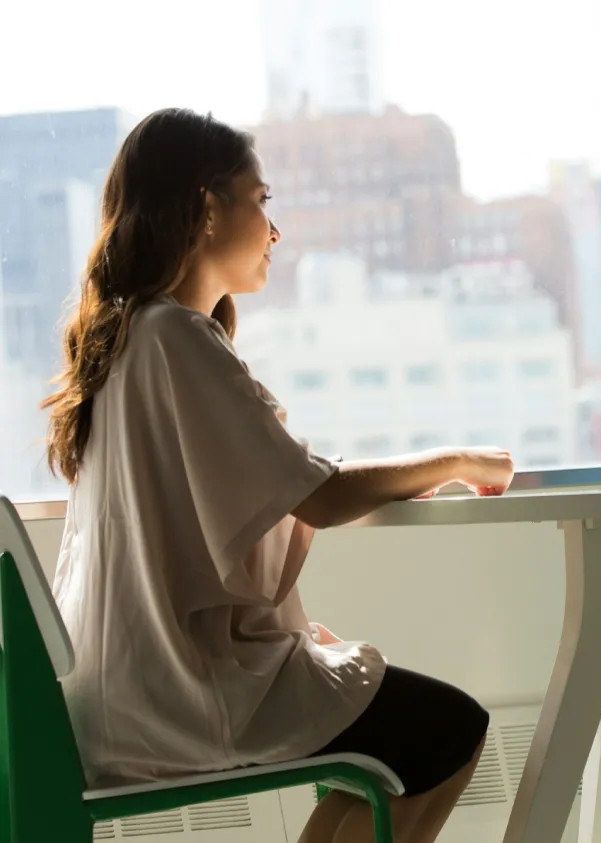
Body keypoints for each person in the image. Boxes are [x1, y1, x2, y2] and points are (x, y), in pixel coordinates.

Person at [43, 107, 515, 843]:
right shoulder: (173, 337)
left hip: (121, 690)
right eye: (261, 202)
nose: (275, 229)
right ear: (206, 208)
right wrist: (455, 460)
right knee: (448, 732)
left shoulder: (130, 340)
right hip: (177, 697)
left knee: (393, 752)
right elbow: (317, 495)